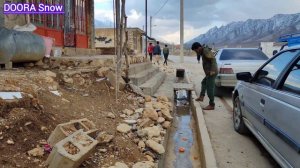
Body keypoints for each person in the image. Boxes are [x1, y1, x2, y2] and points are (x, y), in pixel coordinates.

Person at [191, 42, 218, 110]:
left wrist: (212, 70)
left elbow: (213, 59)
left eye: (195, 50)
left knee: (210, 89)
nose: (196, 52)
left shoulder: (205, 51)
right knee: (203, 82)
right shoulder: (202, 51)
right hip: (209, 73)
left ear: (199, 48)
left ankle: (212, 105)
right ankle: (201, 96)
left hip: (212, 73)